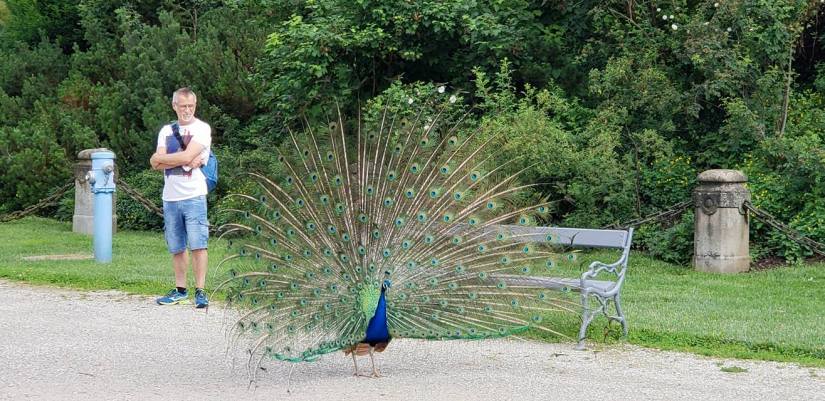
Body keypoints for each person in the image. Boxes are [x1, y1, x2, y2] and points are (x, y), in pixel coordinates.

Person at [150, 87, 211, 308]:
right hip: (170, 197)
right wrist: (183, 159)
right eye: (183, 106)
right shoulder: (166, 130)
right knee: (176, 246)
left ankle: (200, 291)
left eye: (191, 106)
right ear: (174, 106)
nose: (187, 110)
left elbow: (164, 159)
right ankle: (180, 289)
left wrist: (165, 158)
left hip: (194, 195)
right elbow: (155, 163)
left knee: (198, 244)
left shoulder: (202, 128)